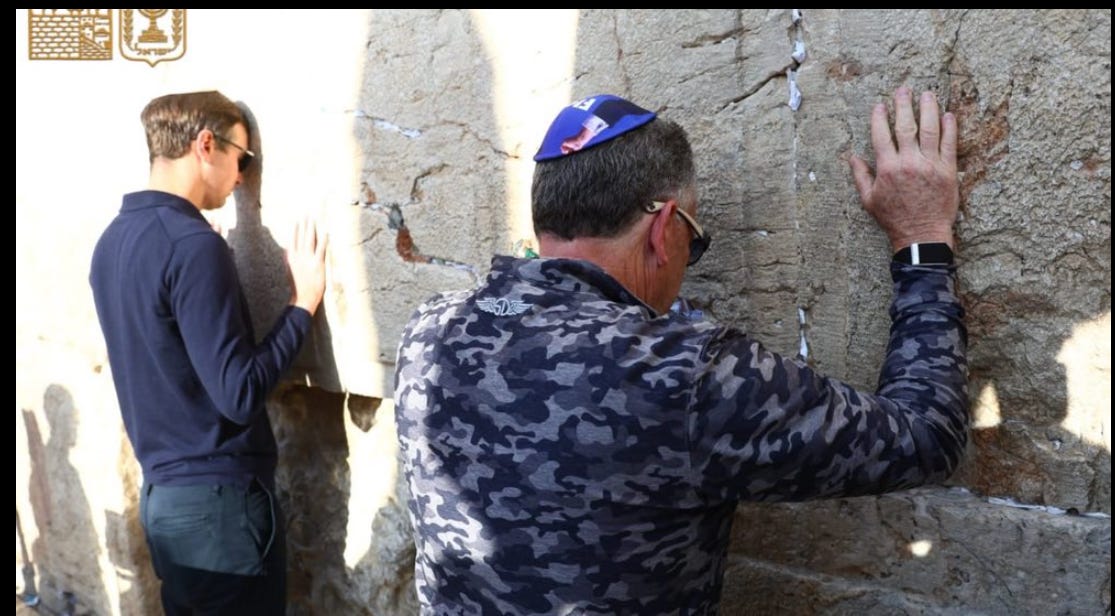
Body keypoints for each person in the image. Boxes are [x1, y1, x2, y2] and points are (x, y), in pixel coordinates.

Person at [394, 88, 967, 614]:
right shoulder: (688, 373)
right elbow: (926, 436)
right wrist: (921, 239)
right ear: (665, 225)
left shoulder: (428, 330)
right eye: (694, 240)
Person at [89, 90, 327, 614]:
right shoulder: (192, 246)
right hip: (219, 511)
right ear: (205, 145)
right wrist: (301, 305)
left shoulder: (114, 242)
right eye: (243, 159)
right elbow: (239, 395)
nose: (241, 177)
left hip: (166, 503)